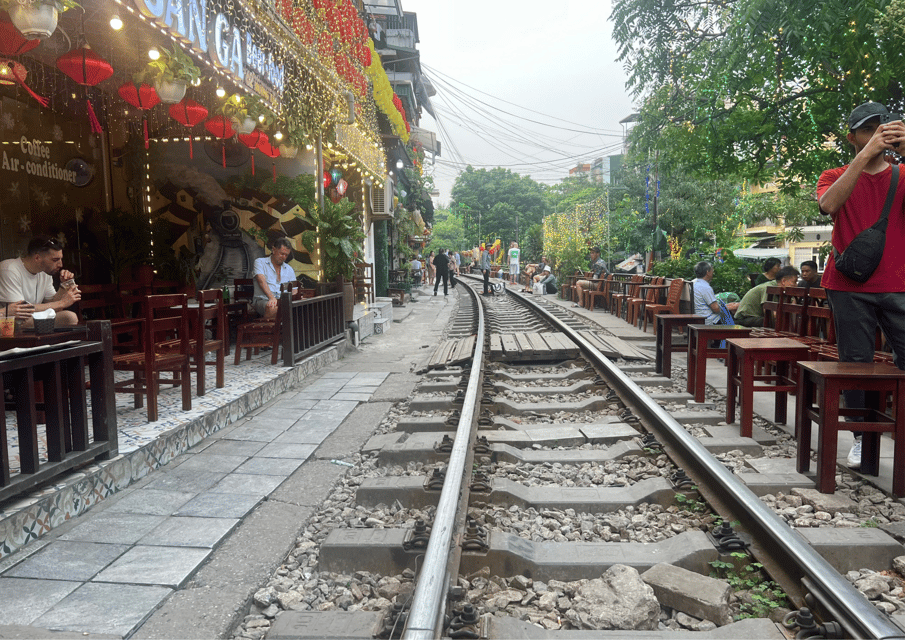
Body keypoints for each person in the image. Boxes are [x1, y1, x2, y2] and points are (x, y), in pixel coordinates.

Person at [817, 100, 905, 469]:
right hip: (848, 284)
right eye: (867, 130)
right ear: (851, 137)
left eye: (881, 127)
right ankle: (860, 438)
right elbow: (828, 205)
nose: (876, 135)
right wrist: (865, 156)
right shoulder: (833, 173)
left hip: (898, 283)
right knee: (855, 363)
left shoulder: (902, 176)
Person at [0, 235, 80, 327]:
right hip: (12, 322)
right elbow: (20, 310)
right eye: (55, 260)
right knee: (69, 317)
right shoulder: (9, 269)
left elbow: (54, 307)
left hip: (32, 317)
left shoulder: (45, 272)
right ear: (37, 258)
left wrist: (64, 285)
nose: (60, 264)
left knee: (69, 317)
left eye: (61, 259)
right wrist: (62, 303)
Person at [733, 266, 800, 327]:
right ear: (783, 281)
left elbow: (793, 309)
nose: (796, 285)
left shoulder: (783, 290)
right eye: (794, 282)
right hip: (746, 319)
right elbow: (769, 313)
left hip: (759, 318)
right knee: (774, 322)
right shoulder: (769, 288)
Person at [252, 237, 295, 320]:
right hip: (263, 300)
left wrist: (293, 300)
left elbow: (294, 289)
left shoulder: (289, 269)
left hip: (283, 302)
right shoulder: (260, 262)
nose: (284, 257)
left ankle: (284, 331)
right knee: (272, 308)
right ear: (274, 250)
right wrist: (271, 298)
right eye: (281, 253)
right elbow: (261, 281)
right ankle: (270, 332)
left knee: (299, 309)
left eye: (286, 255)